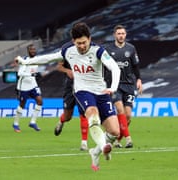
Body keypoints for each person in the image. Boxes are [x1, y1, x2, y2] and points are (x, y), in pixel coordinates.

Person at [15, 22, 121, 171]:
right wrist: (26, 62)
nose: (82, 46)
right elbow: (48, 58)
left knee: (115, 132)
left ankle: (95, 151)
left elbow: (115, 68)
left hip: (102, 91)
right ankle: (103, 146)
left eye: (84, 42)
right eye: (79, 43)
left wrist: (113, 88)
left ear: (89, 39)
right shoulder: (68, 51)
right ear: (73, 42)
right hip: (82, 91)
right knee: (92, 114)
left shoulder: (99, 51)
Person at [103, 24, 143, 148]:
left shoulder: (131, 48)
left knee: (128, 116)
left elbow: (135, 66)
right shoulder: (108, 49)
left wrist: (139, 79)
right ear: (114, 35)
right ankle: (128, 139)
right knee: (119, 110)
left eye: (123, 33)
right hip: (115, 85)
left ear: (125, 35)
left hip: (129, 85)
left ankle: (116, 139)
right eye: (119, 33)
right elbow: (102, 67)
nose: (121, 36)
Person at [54, 61, 89, 151]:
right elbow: (59, 67)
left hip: (83, 86)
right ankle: (61, 121)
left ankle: (84, 143)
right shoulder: (67, 51)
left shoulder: (88, 52)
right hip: (70, 87)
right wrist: (67, 71)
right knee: (67, 117)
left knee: (84, 113)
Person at [13, 44, 42, 132]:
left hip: (33, 85)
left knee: (40, 101)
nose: (33, 51)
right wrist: (31, 74)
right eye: (31, 50)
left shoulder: (37, 60)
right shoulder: (25, 61)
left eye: (34, 49)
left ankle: (32, 122)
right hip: (24, 86)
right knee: (22, 104)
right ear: (28, 51)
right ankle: (15, 124)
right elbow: (20, 73)